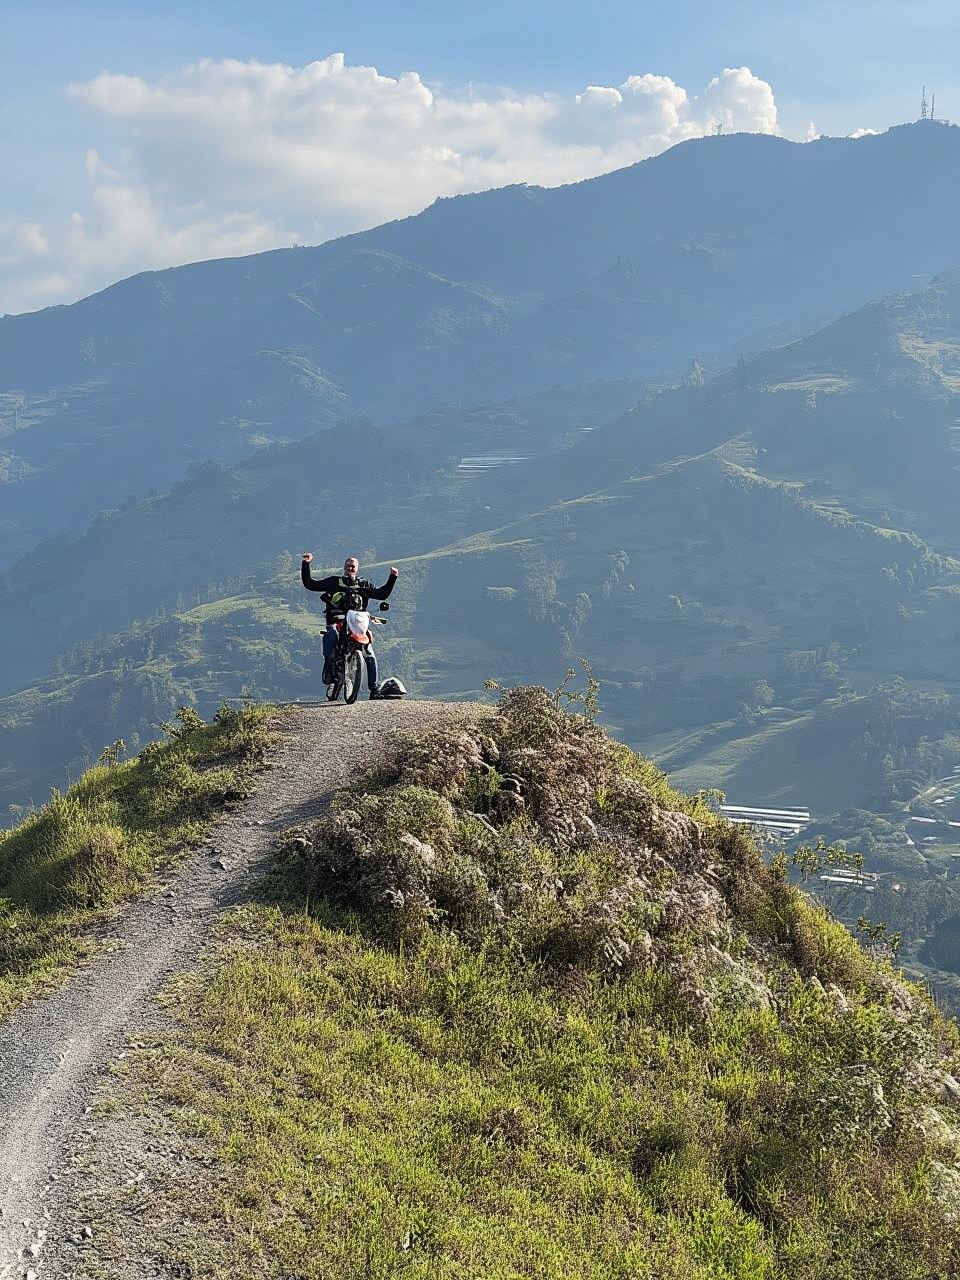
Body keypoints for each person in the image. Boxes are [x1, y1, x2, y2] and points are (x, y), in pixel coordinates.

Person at [301, 553, 399, 698]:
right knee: (331, 634)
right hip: (337, 621)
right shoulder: (334, 582)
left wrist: (393, 577)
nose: (350, 568)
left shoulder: (363, 584)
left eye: (353, 566)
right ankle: (329, 666)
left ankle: (375, 688)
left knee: (369, 653)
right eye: (348, 566)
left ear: (357, 568)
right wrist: (306, 564)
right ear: (344, 568)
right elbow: (310, 584)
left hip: (357, 624)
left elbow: (382, 594)